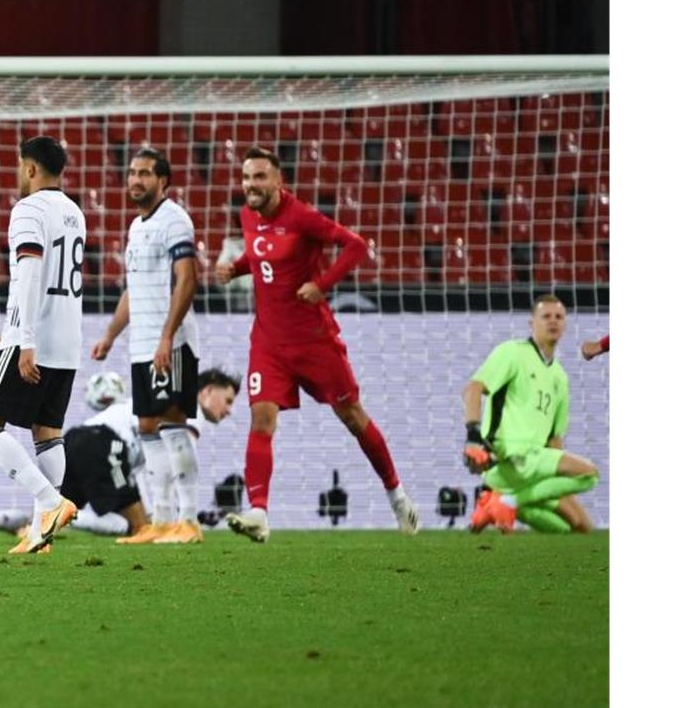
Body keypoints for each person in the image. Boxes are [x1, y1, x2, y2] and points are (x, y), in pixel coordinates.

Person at [214, 147, 420, 543]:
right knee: (261, 418)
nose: (251, 185)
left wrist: (321, 286)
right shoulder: (247, 216)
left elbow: (356, 246)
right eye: (246, 177)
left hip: (314, 341)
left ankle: (397, 495)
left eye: (259, 177)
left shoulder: (302, 217)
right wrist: (235, 268)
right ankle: (259, 512)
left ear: (278, 181)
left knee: (353, 417)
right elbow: (261, 258)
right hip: (270, 341)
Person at [0, 368, 239, 542]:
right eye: (226, 400)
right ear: (207, 390)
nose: (228, 411)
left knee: (49, 516)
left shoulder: (150, 404)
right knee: (139, 527)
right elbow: (175, 465)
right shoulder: (190, 410)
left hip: (77, 440)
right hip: (105, 445)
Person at [0, 136, 84, 555]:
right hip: (67, 338)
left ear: (30, 168)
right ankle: (42, 534)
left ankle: (52, 504)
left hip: (32, 337)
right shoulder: (74, 212)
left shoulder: (28, 209)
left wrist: (22, 338)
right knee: (47, 430)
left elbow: (31, 272)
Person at [91, 148, 204, 545]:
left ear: (163, 181)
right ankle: (160, 520)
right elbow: (133, 291)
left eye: (144, 174)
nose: (136, 180)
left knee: (173, 422)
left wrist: (167, 336)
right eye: (132, 173)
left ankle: (188, 521)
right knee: (146, 426)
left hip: (167, 342)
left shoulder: (175, 220)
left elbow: (188, 279)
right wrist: (110, 335)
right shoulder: (137, 227)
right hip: (142, 345)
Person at [464, 294, 599, 533]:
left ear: (565, 324)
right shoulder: (513, 353)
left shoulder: (560, 377)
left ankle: (503, 503)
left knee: (579, 528)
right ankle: (510, 502)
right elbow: (473, 388)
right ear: (532, 322)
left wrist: (556, 484)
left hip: (534, 468)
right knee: (589, 475)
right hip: (508, 459)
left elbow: (555, 439)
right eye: (546, 316)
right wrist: (473, 437)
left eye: (558, 316)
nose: (553, 321)